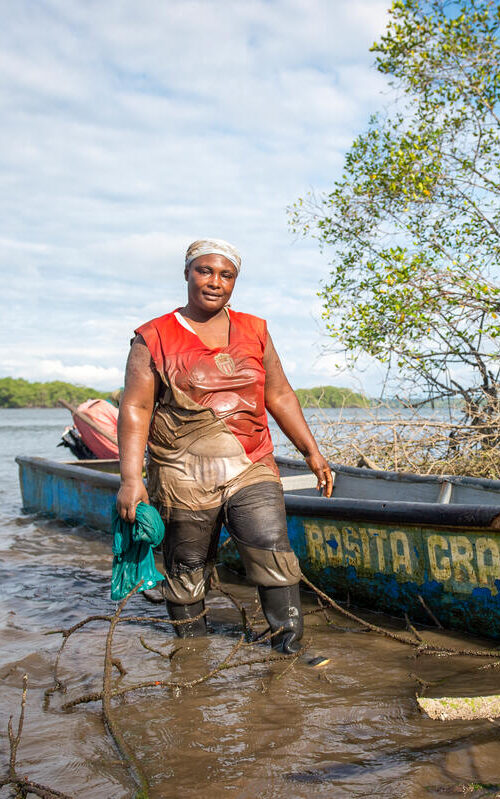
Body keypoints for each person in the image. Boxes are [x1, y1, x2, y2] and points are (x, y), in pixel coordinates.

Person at [116, 238, 333, 654]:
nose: (215, 282)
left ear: (235, 281)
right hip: (182, 472)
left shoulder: (255, 329)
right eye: (205, 271)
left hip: (250, 463)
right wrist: (131, 479)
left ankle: (286, 650)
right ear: (187, 274)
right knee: (187, 567)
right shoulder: (152, 336)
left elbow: (281, 394)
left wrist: (311, 451)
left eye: (226, 275)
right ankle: (192, 656)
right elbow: (136, 407)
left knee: (271, 545)